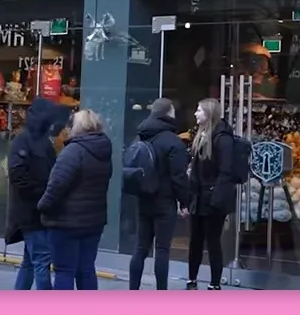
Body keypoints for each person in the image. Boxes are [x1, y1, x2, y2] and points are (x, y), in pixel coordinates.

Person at [38, 108, 113, 290]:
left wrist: (42, 206)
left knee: (64, 271)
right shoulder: (103, 152)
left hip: (66, 223)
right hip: (93, 221)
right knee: (86, 269)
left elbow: (56, 186)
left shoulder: (73, 152)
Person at [6, 98, 70, 290]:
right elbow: (18, 176)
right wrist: (44, 194)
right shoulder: (24, 141)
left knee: (31, 261)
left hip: (36, 211)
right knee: (41, 261)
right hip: (32, 212)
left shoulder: (39, 142)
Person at [128, 98, 191, 291]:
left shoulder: (140, 136)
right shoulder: (173, 141)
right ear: (169, 114)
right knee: (162, 249)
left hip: (144, 198)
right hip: (165, 201)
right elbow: (178, 176)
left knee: (140, 248)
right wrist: (184, 202)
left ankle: (133, 290)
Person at [185, 97, 237, 291]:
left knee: (213, 241)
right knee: (195, 240)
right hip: (198, 197)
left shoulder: (222, 138)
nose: (195, 113)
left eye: (199, 110)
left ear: (209, 114)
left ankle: (215, 283)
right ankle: (192, 279)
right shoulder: (201, 134)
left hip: (213, 199)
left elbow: (226, 171)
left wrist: (216, 200)